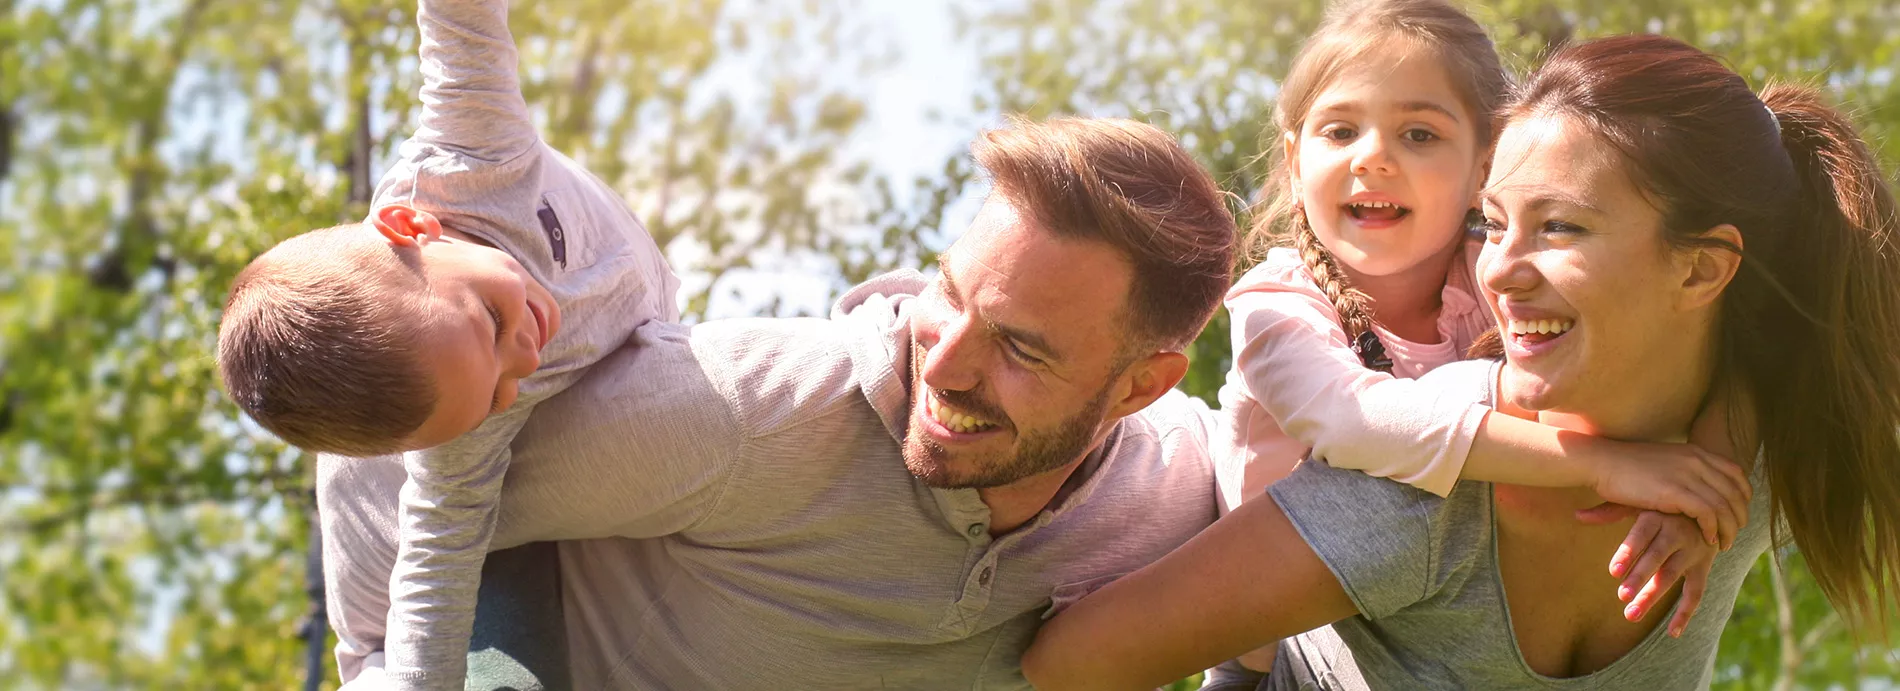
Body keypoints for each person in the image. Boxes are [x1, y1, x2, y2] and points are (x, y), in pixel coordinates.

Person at [1024, 34, 1900, 690]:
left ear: (1703, 268)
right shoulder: (1418, 492)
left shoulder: (1775, 429)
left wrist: (1710, 473)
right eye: (1491, 222)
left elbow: (1774, 371)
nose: (1501, 273)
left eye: (1560, 226)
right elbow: (1073, 662)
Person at [319, 113, 1243, 688]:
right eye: (950, 295)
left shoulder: (1181, 486)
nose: (948, 366)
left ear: (1140, 385)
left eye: (1021, 348)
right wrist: (380, 664)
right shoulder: (739, 411)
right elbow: (391, 463)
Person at [1205, 2, 1747, 681]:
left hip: (1430, 625)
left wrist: (1704, 501)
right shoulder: (1273, 303)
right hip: (1265, 650)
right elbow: (1357, 425)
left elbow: (1730, 349)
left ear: (1485, 166)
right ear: (1293, 157)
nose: (1372, 156)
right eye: (1340, 130)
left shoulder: (1501, 273)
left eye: (1420, 135)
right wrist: (1602, 463)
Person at [217, 0, 680, 685]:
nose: (524, 356)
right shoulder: (458, 434)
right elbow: (438, 557)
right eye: (497, 394)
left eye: (491, 321)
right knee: (393, 634)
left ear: (412, 227)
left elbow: (459, 22)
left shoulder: (470, 160)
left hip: (383, 478)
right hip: (375, 532)